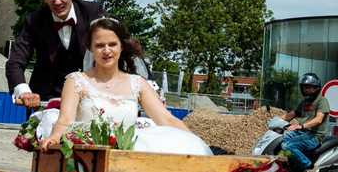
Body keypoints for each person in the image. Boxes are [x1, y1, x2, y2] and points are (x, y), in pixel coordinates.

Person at [38, 16, 212, 156]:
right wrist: (55, 136)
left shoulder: (137, 83)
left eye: (112, 44)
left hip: (128, 152)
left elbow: (166, 119)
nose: (106, 50)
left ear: (121, 46)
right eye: (100, 45)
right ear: (90, 48)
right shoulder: (76, 81)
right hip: (89, 153)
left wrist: (197, 142)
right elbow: (65, 120)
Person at [6, 0, 104, 110]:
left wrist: (146, 82)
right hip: (47, 101)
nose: (57, 2)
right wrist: (24, 91)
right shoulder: (34, 21)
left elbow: (119, 46)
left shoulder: (93, 12)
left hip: (90, 100)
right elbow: (15, 61)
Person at [280, 72, 330, 172]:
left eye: (310, 87)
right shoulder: (304, 102)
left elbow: (318, 119)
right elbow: (289, 116)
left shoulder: (322, 101)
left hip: (313, 136)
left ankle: (310, 167)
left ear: (316, 88)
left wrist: (301, 126)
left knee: (287, 146)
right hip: (301, 134)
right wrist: (272, 120)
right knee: (278, 140)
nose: (306, 90)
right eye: (304, 87)